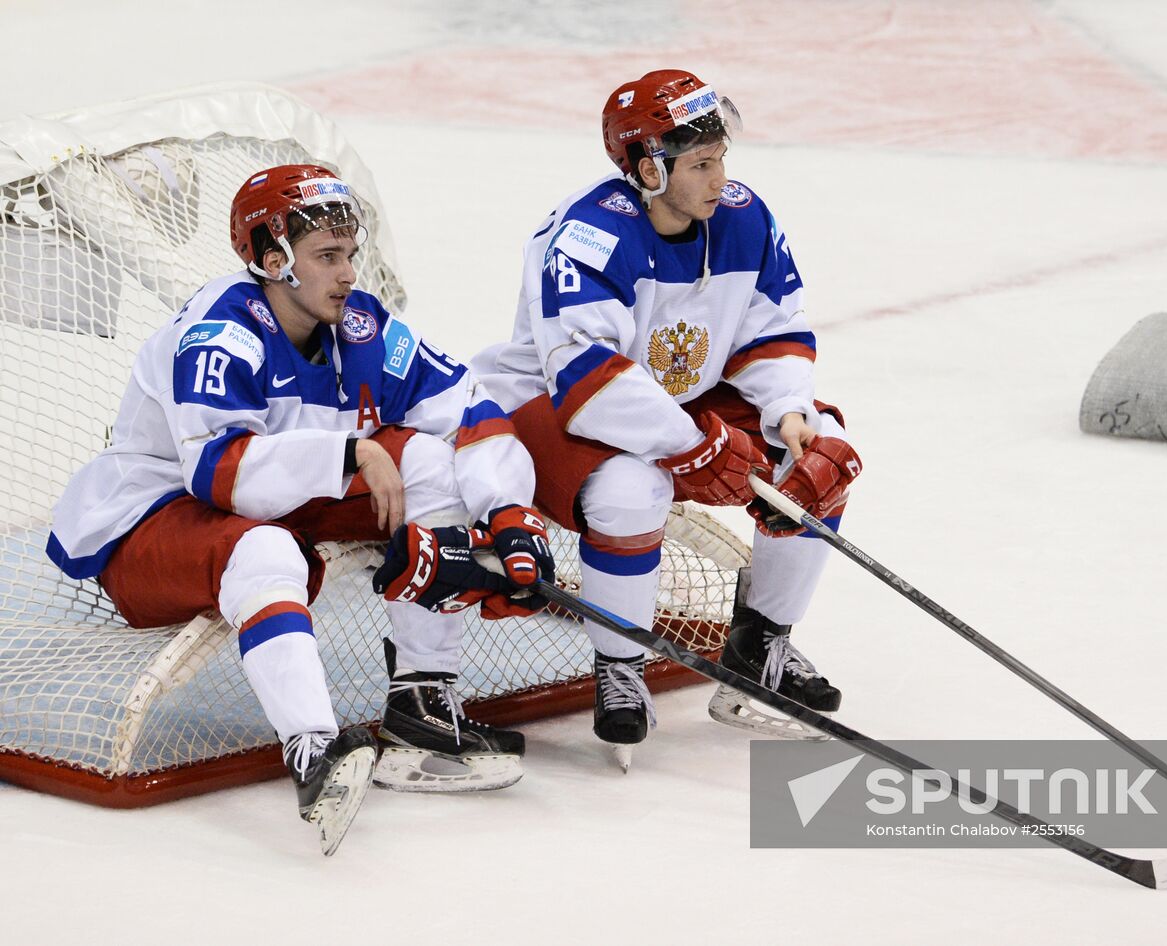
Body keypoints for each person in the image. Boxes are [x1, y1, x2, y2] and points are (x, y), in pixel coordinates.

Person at [47, 165, 554, 854]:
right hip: (153, 522)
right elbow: (219, 474)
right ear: (271, 258)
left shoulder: (360, 325)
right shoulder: (219, 334)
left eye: (350, 253)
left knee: (431, 467)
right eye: (327, 256)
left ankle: (421, 705)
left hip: (276, 501)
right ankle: (313, 751)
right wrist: (350, 452)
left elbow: (471, 409)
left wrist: (509, 516)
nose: (348, 274)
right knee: (267, 549)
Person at [471, 69, 862, 768]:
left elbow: (772, 330)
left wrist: (787, 410)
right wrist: (692, 445)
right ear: (649, 170)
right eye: (701, 164)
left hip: (677, 397)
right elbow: (588, 376)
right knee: (631, 490)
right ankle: (620, 665)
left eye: (721, 159)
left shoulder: (743, 217)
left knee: (820, 455)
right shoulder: (590, 235)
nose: (720, 179)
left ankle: (760, 644)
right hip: (554, 404)